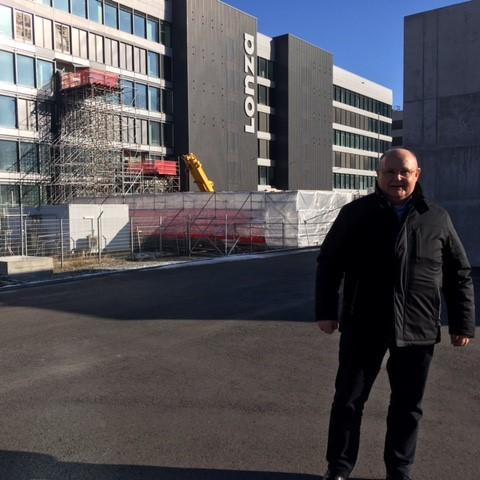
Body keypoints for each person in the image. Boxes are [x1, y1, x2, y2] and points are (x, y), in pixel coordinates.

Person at [315, 148, 475, 480]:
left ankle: (399, 470)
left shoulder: (436, 218)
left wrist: (463, 323)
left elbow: (458, 273)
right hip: (364, 325)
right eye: (389, 172)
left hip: (417, 329)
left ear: (417, 174)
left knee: (407, 407)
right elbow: (329, 264)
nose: (396, 178)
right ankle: (340, 467)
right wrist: (327, 311)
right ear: (378, 175)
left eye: (404, 172)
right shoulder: (356, 214)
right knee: (348, 401)